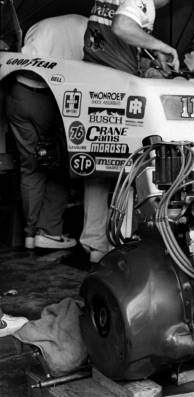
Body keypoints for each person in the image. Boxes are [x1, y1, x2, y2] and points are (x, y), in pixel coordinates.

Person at [81, 0, 176, 263]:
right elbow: (122, 26)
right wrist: (163, 46)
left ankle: (94, 242)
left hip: (92, 75)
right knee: (134, 165)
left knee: (99, 165)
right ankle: (121, 244)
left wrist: (150, 53)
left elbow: (118, 34)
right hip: (117, 83)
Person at [6, 15, 88, 250]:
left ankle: (30, 234)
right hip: (48, 98)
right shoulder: (88, 28)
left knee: (30, 167)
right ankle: (50, 232)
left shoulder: (41, 24)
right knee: (59, 165)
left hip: (18, 93)